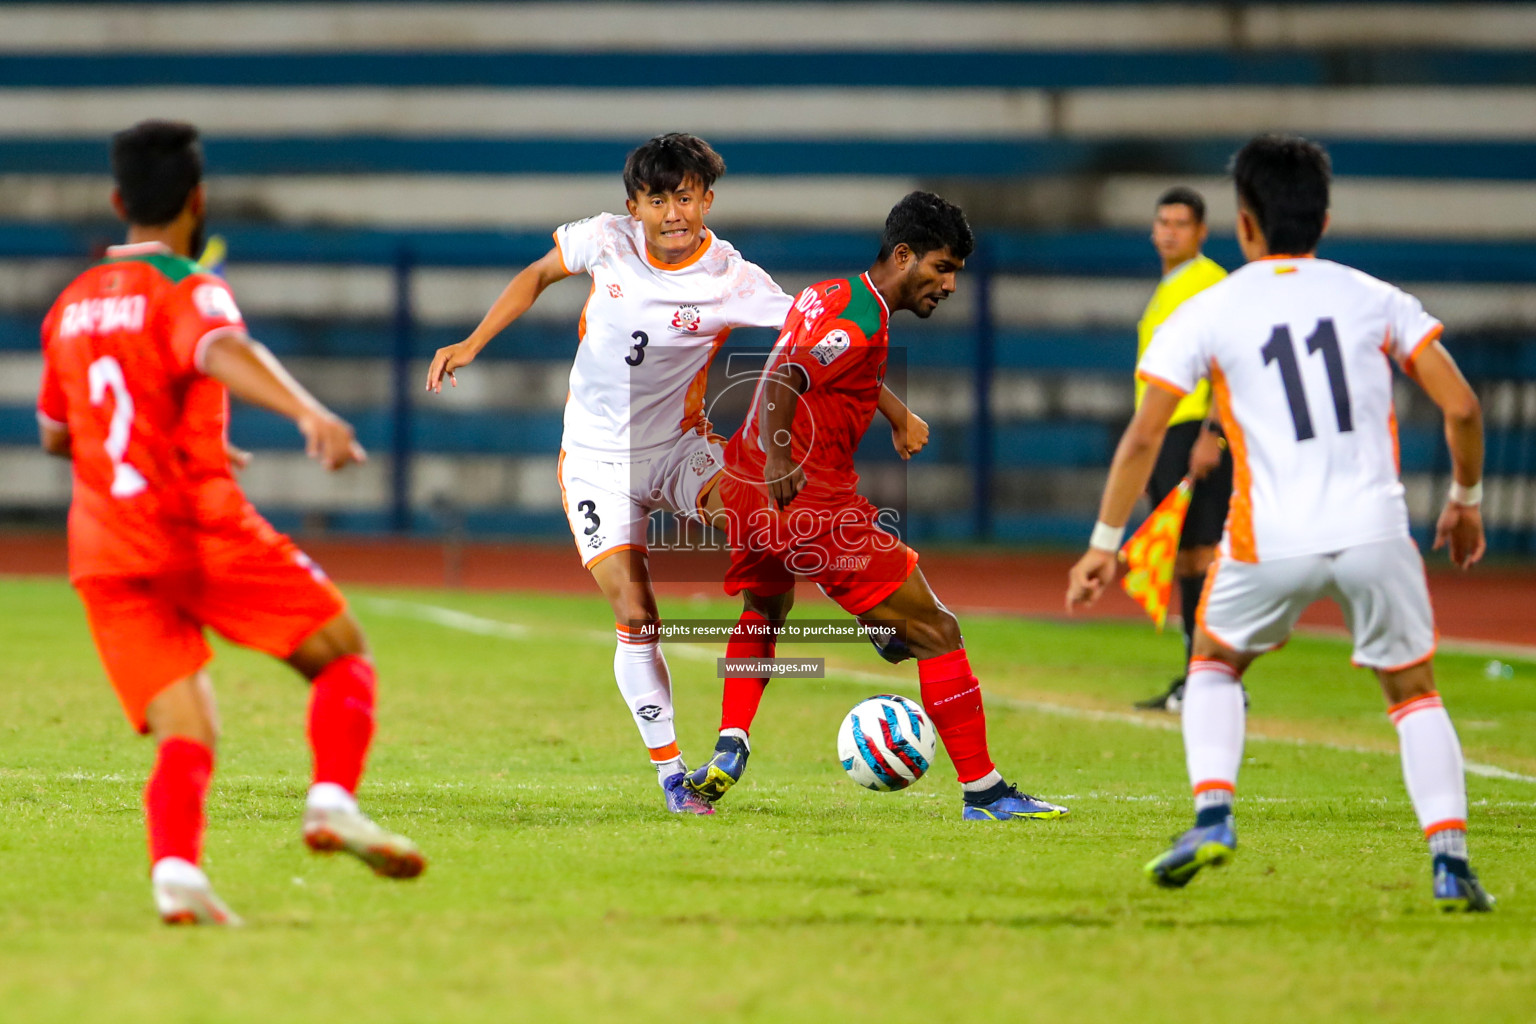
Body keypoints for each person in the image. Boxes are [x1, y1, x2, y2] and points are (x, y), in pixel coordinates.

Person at [1067, 134, 1493, 910]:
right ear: (1323, 219)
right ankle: (1451, 861)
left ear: (1245, 225)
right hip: (1374, 529)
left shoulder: (1209, 309)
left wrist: (1103, 544)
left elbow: (1143, 434)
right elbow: (1461, 405)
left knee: (1215, 663)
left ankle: (1213, 814)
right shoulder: (1375, 296)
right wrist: (1464, 501)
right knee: (1414, 693)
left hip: (1270, 536)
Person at [37, 120, 425, 926]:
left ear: (117, 202)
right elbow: (218, 346)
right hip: (190, 529)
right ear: (197, 198)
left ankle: (176, 874)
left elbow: (59, 429)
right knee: (342, 652)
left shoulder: (68, 305)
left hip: (104, 549)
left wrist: (181, 435)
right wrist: (309, 412)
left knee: (189, 723)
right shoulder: (187, 283)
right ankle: (329, 802)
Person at [426, 133, 795, 815]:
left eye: (685, 197)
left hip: (679, 450)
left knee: (768, 534)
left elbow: (816, 334)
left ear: (707, 199)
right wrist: (473, 343)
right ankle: (673, 775)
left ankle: (744, 721)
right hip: (594, 460)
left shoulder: (734, 278)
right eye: (658, 200)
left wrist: (890, 408)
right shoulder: (605, 239)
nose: (673, 213)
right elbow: (537, 273)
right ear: (634, 206)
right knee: (637, 614)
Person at [684, 191, 1069, 823]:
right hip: (805, 496)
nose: (948, 285)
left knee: (766, 607)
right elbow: (787, 379)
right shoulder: (861, 320)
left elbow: (824, 362)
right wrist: (785, 457)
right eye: (941, 268)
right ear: (903, 254)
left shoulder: (834, 296)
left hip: (746, 491)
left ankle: (731, 745)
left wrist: (896, 413)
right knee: (936, 631)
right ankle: (986, 793)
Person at [1131, 188, 1233, 712]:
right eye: (1162, 221)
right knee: (1187, 558)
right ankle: (1199, 675)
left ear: (1200, 233)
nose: (1169, 230)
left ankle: (1216, 680)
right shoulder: (1169, 288)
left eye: (1180, 223)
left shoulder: (1209, 281)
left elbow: (1223, 362)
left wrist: (1211, 435)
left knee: (1204, 555)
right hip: (1169, 435)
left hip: (1194, 429)